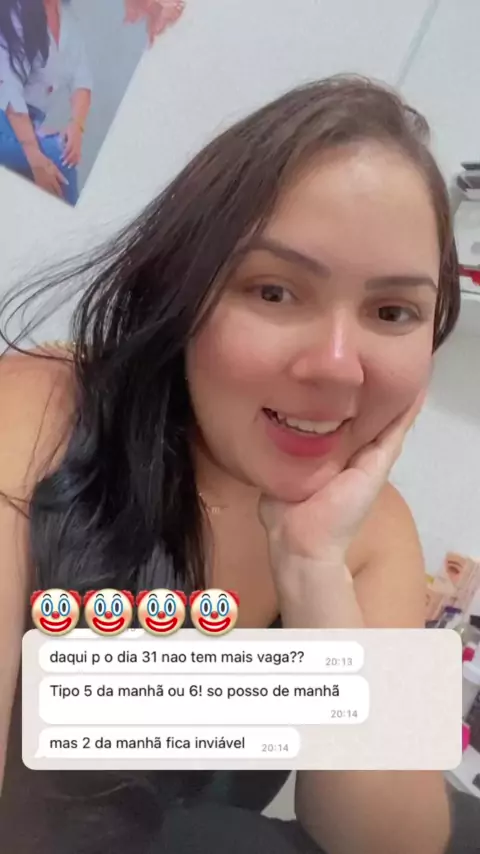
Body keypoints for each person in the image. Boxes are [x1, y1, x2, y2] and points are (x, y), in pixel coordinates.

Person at [0, 75, 467, 853]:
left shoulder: (376, 531)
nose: (337, 366)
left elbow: (398, 842)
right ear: (183, 293)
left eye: (393, 311)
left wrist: (313, 570)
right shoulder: (38, 412)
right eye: (275, 291)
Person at [0, 0, 92, 205]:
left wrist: (77, 126)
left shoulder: (69, 20)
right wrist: (33, 151)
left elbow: (82, 81)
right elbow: (9, 91)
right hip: (5, 115)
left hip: (27, 122)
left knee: (63, 151)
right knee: (58, 155)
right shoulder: (14, 13)